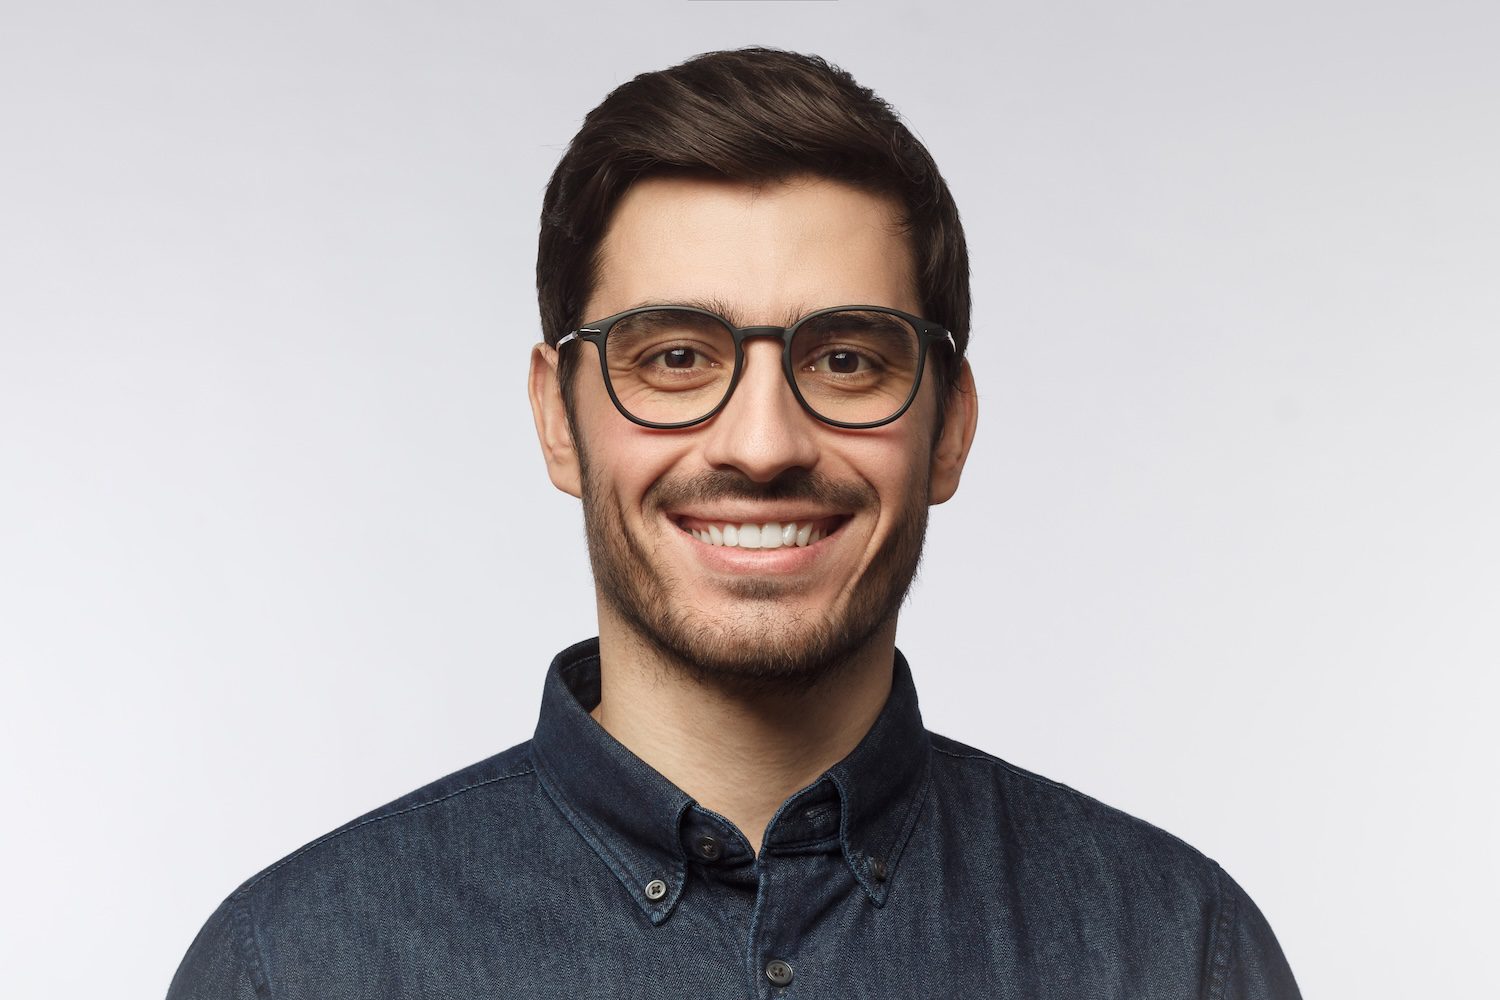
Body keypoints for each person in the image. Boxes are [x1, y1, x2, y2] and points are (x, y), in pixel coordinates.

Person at [168, 47, 1301, 999]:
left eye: (847, 359)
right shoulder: (297, 967)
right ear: (558, 420)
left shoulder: (1173, 951)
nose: (762, 444)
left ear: (948, 427)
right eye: (674, 357)